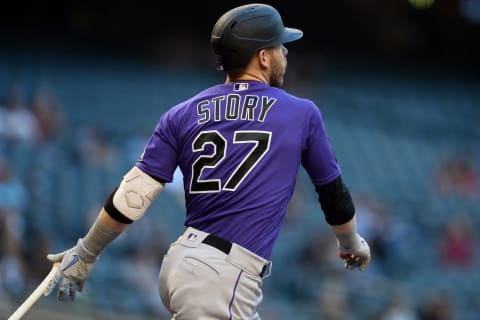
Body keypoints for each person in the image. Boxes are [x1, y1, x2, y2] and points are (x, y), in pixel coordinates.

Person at [46, 3, 371, 319]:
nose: (285, 53)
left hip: (184, 264)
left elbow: (133, 196)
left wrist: (86, 252)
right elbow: (333, 194)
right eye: (279, 46)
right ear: (262, 56)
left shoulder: (181, 113)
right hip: (222, 276)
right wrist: (351, 242)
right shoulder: (301, 112)